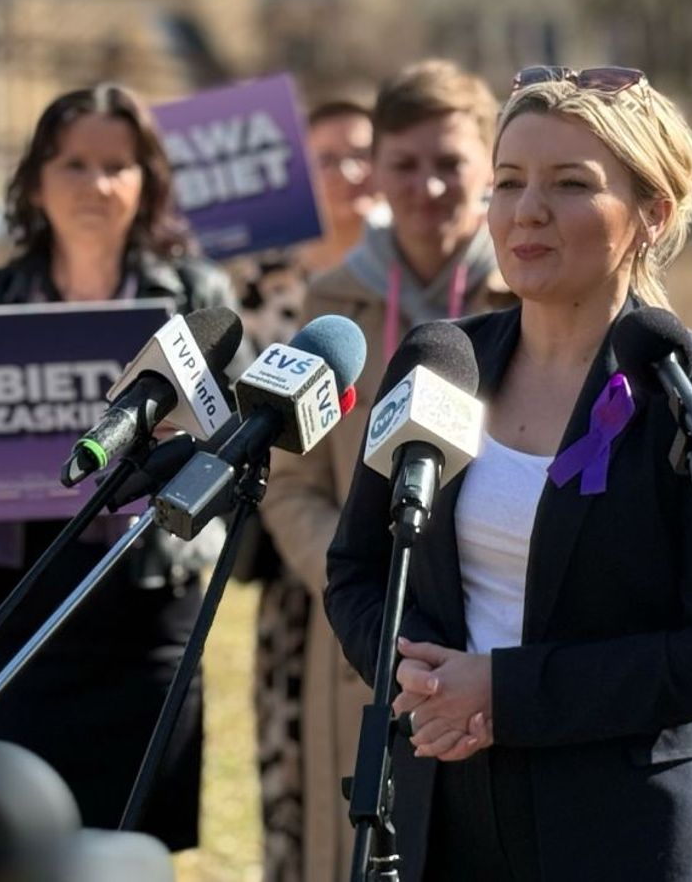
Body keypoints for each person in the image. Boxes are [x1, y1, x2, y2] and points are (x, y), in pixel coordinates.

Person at [324, 65, 692, 880]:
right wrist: (417, 677)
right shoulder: (442, 362)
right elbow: (358, 571)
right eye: (508, 181)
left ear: (653, 213)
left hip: (636, 831)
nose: (527, 210)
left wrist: (506, 693)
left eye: (570, 184)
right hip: (446, 817)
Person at [0, 83, 242, 850]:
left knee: (132, 847)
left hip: (149, 606)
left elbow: (242, 444)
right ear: (35, 181)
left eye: (116, 165)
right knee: (14, 843)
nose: (95, 185)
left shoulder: (195, 293)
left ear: (147, 182)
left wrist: (200, 430)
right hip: (20, 602)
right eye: (73, 164)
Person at [259, 60, 513, 881]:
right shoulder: (333, 302)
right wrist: (364, 587)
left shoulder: (529, 296)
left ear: (489, 167)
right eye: (404, 164)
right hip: (370, 647)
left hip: (500, 640)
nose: (427, 187)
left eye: (450, 163)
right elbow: (292, 483)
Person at [239, 97, 379, 882]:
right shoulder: (266, 286)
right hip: (299, 572)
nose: (350, 172)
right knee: (296, 778)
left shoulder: (410, 275)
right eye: (329, 158)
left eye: (363, 154)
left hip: (397, 564)